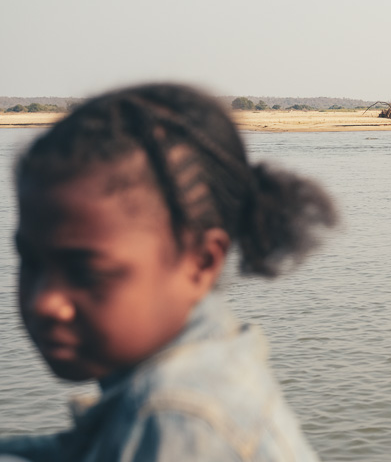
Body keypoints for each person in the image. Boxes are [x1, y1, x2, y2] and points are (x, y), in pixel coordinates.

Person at [0, 83, 337, 462]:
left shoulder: (177, 419)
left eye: (86, 272)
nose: (44, 302)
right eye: (30, 261)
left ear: (201, 262)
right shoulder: (205, 360)